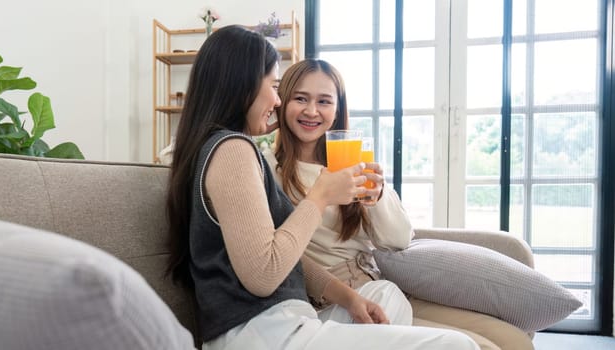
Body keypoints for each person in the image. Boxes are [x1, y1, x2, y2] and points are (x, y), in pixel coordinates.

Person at [165, 25, 480, 350]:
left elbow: (283, 258)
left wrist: (349, 298)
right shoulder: (234, 150)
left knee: (389, 303)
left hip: (284, 325)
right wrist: (320, 196)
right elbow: (262, 276)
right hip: (263, 333)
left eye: (322, 101)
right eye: (276, 88)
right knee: (458, 345)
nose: (277, 99)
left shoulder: (230, 150)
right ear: (241, 85)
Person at [263, 58, 534, 350]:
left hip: (377, 283)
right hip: (329, 301)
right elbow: (274, 254)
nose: (312, 111)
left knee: (514, 341)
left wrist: (377, 197)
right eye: (300, 99)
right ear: (281, 101)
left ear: (338, 109)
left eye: (324, 101)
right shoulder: (269, 169)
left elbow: (398, 239)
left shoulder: (352, 162)